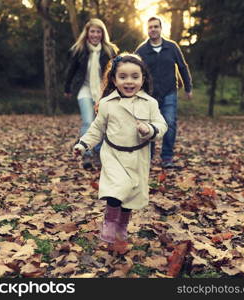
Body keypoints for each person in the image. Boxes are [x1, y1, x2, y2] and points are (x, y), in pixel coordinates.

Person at [73, 53, 167, 243]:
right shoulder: (107, 104)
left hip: (138, 156)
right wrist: (83, 144)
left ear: (143, 78)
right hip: (113, 154)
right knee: (117, 188)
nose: (129, 81)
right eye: (123, 77)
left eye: (135, 76)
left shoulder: (150, 103)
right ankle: (109, 222)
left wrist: (149, 129)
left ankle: (122, 225)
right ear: (114, 80)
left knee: (131, 193)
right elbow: (97, 128)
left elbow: (162, 125)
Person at [135, 16, 193, 168]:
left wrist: (188, 87)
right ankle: (149, 156)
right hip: (149, 95)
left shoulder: (172, 47)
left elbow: (182, 67)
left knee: (170, 123)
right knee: (149, 126)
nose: (153, 29)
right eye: (150, 27)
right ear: (147, 30)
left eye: (156, 26)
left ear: (161, 29)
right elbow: (134, 71)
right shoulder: (141, 50)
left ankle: (167, 157)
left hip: (169, 92)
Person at [64, 18, 118, 169]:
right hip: (84, 89)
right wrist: (67, 88)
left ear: (102, 34)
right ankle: (87, 155)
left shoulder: (110, 51)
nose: (95, 34)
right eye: (92, 31)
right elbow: (71, 70)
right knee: (88, 122)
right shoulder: (79, 50)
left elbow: (115, 72)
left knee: (101, 123)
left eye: (98, 31)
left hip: (103, 91)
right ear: (87, 33)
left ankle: (99, 153)